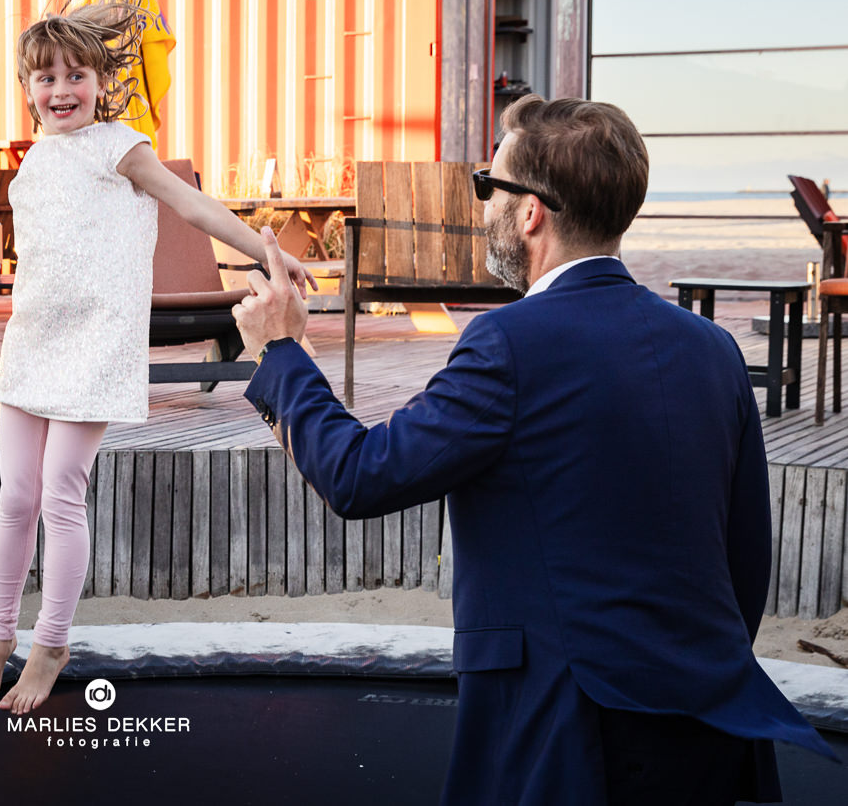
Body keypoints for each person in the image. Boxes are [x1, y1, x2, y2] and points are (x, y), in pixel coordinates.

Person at [232, 95, 834, 804]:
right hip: (711, 721)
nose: (482, 204)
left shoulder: (508, 344)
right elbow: (745, 558)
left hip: (568, 729)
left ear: (530, 212)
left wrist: (280, 351)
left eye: (489, 185)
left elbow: (361, 477)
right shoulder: (713, 349)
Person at [0, 0, 316, 715]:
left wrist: (263, 249)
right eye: (46, 77)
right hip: (33, 343)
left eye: (75, 75)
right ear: (27, 91)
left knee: (61, 492)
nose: (61, 89)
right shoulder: (31, 163)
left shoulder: (119, 144)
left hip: (93, 346)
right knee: (16, 496)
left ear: (100, 82)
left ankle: (51, 643)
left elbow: (192, 204)